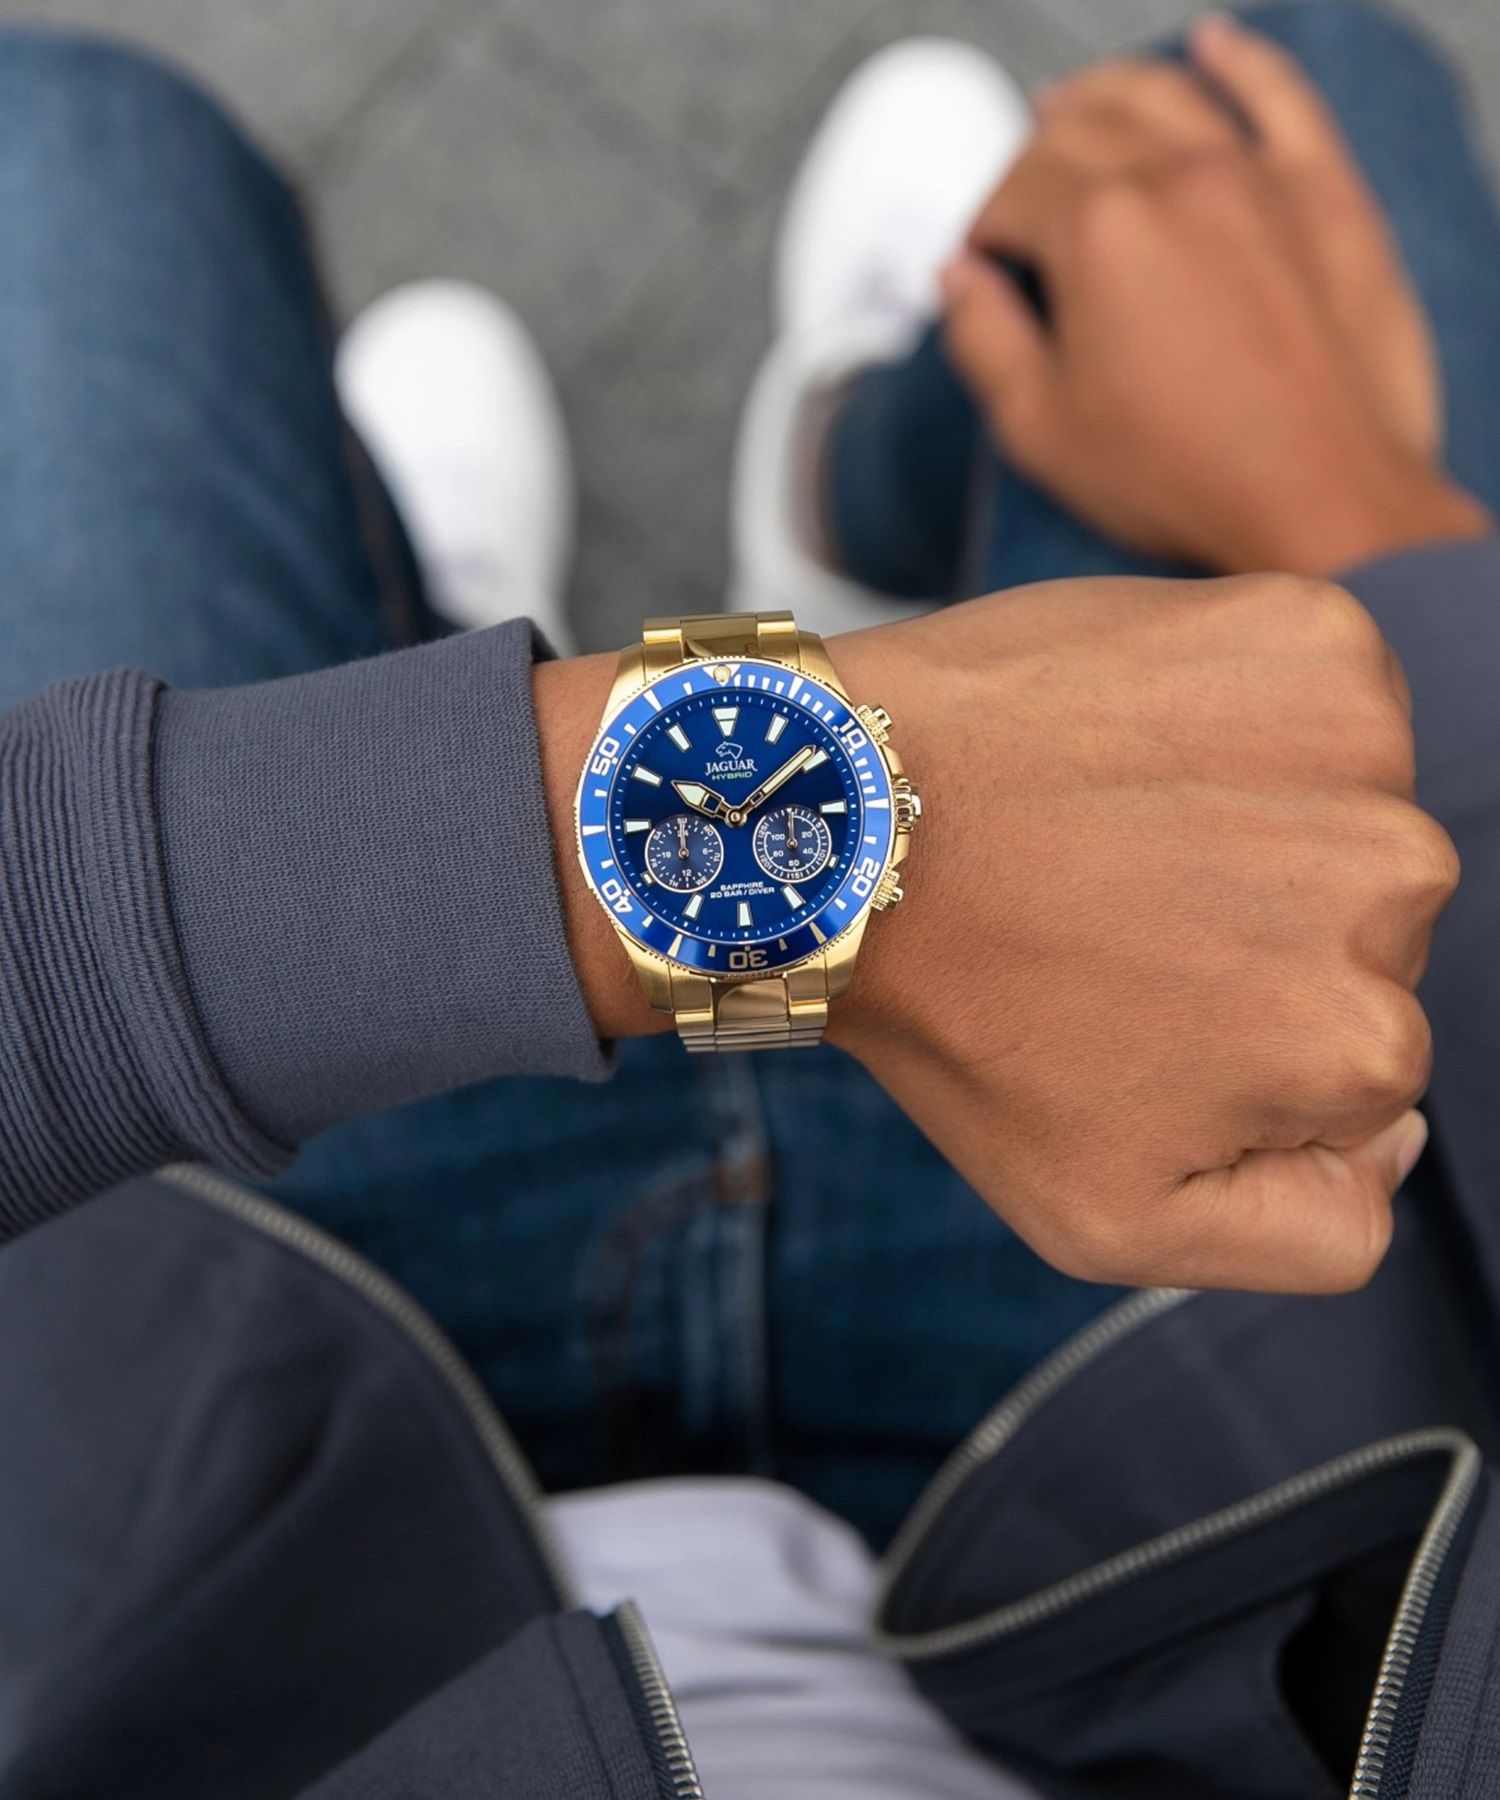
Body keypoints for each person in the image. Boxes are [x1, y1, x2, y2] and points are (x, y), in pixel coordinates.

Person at [2, 4, 1500, 1798]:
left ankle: (473, 668)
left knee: (56, 154)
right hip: (1215, 1405)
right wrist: (1358, 510)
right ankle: (842, 510)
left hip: (237, 1393)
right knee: (1285, 93)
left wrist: (517, 808)